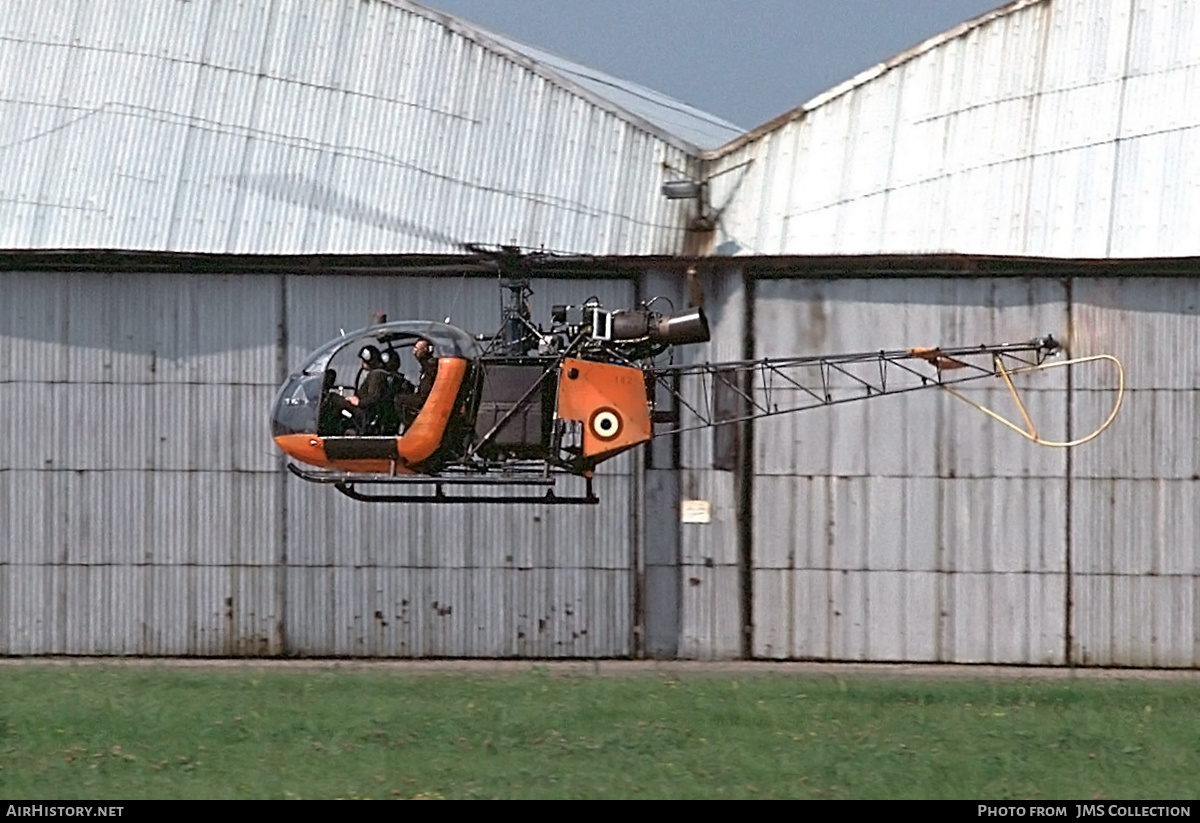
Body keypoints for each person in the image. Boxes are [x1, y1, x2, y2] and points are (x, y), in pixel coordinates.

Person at [395, 338, 439, 428]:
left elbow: (425, 392)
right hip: (424, 397)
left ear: (427, 350)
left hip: (425, 399)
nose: (414, 352)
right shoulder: (427, 366)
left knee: (399, 399)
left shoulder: (431, 366)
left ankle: (409, 427)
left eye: (417, 348)